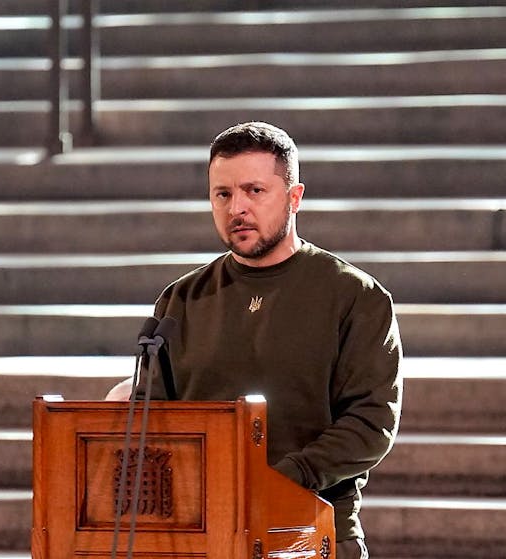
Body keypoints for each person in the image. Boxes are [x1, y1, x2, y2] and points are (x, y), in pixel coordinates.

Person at [106, 121, 402, 559]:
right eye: (222, 194)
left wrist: (282, 478)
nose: (236, 208)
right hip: (196, 534)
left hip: (308, 532)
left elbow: (371, 423)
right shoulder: (181, 299)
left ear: (294, 196)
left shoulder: (354, 296)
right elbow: (156, 413)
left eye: (254, 191)